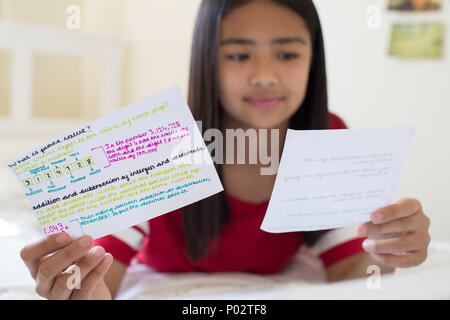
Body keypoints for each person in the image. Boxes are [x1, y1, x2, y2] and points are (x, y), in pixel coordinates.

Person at [20, 0, 431, 300]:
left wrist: (391, 251)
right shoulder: (159, 147)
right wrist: (73, 287)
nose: (266, 76)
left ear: (313, 61)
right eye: (239, 54)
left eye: (287, 54)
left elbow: (348, 271)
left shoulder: (327, 135)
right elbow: (99, 281)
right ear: (206, 61)